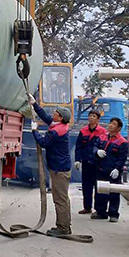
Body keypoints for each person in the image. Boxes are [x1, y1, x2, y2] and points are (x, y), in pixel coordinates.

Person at [29, 94, 73, 236]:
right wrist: (35, 104)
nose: (53, 112)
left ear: (60, 117)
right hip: (60, 167)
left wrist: (35, 131)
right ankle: (65, 225)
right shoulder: (59, 125)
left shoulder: (56, 131)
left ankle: (63, 229)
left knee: (60, 200)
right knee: (63, 198)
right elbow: (45, 117)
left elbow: (43, 143)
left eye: (56, 112)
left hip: (59, 169)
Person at [92, 117, 129, 222]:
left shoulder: (122, 142)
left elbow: (122, 158)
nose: (111, 125)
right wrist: (97, 151)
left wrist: (117, 169)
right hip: (101, 169)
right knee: (100, 192)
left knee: (114, 193)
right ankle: (100, 212)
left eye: (114, 124)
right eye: (110, 123)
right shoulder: (102, 137)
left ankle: (113, 214)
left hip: (113, 171)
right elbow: (94, 147)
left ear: (119, 128)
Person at [74, 109, 107, 214]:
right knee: (86, 186)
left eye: (94, 116)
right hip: (86, 162)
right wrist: (77, 160)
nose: (91, 118)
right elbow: (78, 146)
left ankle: (98, 209)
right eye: (90, 116)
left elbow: (104, 146)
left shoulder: (102, 131)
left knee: (98, 187)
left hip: (97, 164)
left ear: (98, 119)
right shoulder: (83, 130)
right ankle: (87, 207)